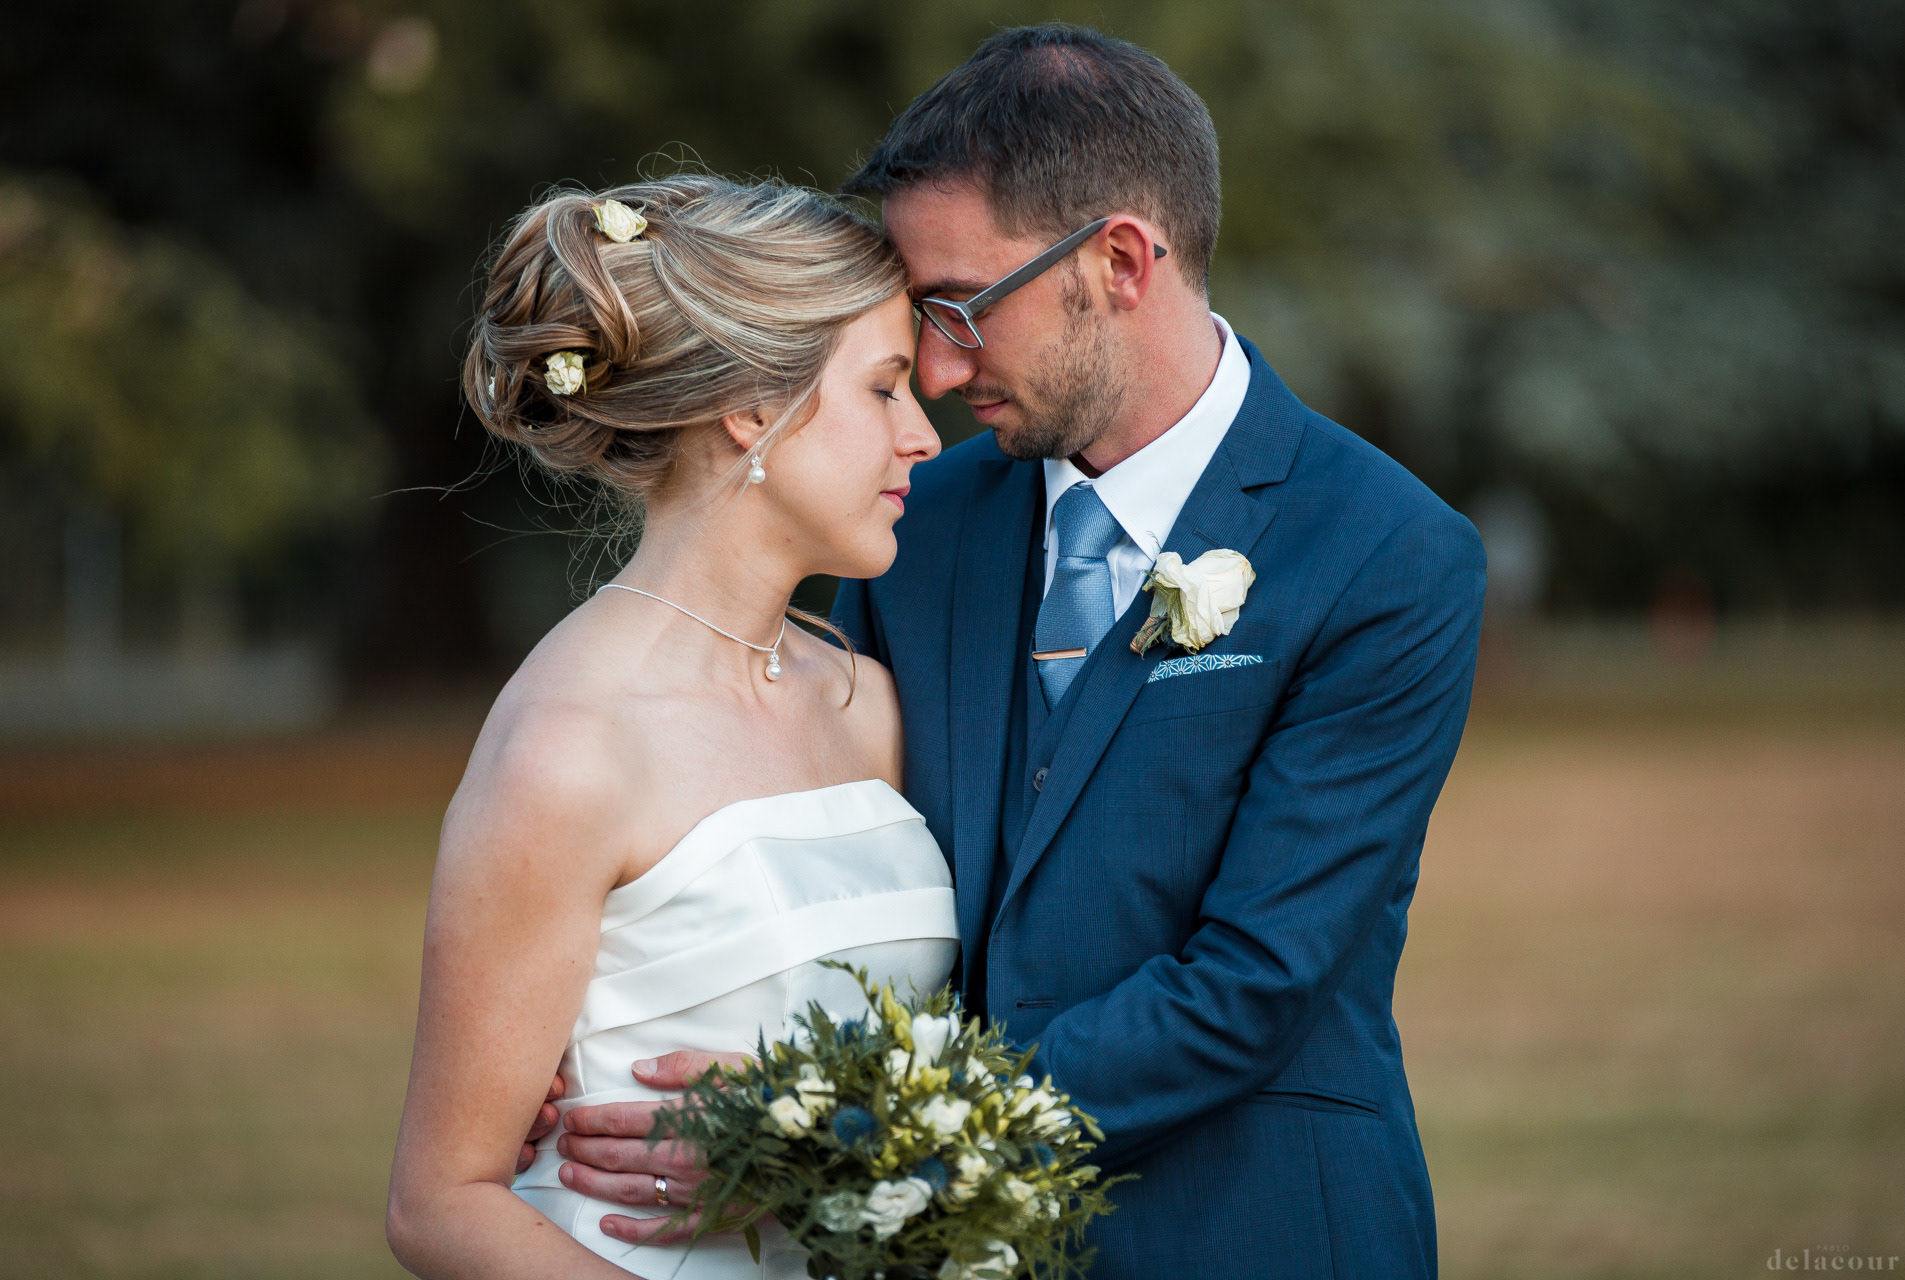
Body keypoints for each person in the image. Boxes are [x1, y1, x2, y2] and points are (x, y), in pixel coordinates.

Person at [557, 26, 1486, 1280]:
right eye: (919, 319)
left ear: (1120, 262)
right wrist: (605, 1023)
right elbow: (813, 833)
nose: (938, 370)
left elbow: (1254, 984)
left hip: (1257, 1232)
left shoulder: (1385, 552)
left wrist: (831, 1125)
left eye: (962, 306)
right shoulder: (912, 529)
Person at [384, 174, 954, 1280]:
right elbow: (439, 1205)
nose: (924, 436)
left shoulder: (871, 703)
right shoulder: (570, 746)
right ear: (751, 407)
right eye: (885, 389)